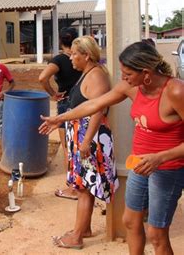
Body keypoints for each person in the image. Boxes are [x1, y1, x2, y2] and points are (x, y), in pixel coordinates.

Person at [39, 41, 184, 254]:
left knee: (156, 234)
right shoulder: (132, 87)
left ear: (146, 73)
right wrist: (59, 119)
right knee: (130, 222)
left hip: (168, 168)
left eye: (127, 74)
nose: (123, 79)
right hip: (139, 165)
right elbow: (94, 104)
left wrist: (160, 158)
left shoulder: (176, 91)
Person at [43, 36, 119, 249]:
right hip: (83, 137)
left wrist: (85, 142)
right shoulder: (87, 73)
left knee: (85, 188)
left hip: (89, 139)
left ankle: (77, 237)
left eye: (75, 54)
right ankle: (84, 228)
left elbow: (97, 110)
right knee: (84, 185)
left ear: (86, 55)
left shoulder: (96, 77)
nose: (71, 58)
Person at [39, 27, 82, 200]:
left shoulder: (60, 60)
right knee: (80, 144)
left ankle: (73, 187)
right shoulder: (83, 59)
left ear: (60, 41)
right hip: (83, 104)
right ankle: (82, 183)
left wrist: (53, 94)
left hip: (66, 105)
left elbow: (42, 78)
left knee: (68, 148)